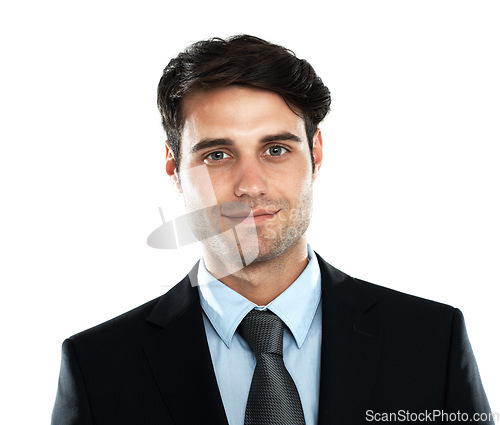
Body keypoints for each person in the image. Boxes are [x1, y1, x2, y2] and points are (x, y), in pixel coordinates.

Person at [51, 35, 494, 425]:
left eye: (276, 149)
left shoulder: (432, 342)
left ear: (316, 153)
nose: (250, 185)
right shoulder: (98, 367)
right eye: (217, 155)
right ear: (173, 165)